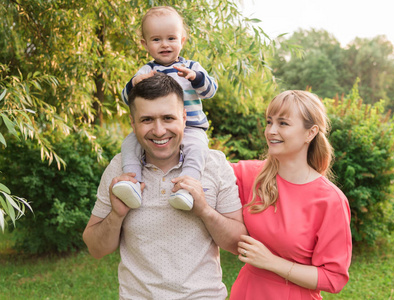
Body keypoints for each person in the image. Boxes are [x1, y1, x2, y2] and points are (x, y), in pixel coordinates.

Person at [83, 74, 246, 299]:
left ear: (184, 117)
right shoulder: (119, 169)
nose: (159, 131)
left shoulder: (214, 165)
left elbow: (238, 244)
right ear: (133, 123)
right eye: (147, 120)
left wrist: (205, 211)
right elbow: (95, 248)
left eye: (168, 118)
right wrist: (116, 215)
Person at [229, 90, 352, 299]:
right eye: (269, 122)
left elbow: (333, 278)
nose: (271, 131)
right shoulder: (247, 174)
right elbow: (204, 168)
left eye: (283, 123)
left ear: (310, 133)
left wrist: (271, 262)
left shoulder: (330, 200)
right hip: (246, 292)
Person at [112, 6, 217, 211]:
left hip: (192, 128)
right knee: (129, 144)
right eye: (156, 39)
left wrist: (196, 78)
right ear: (145, 44)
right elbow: (128, 100)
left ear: (182, 40)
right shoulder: (147, 70)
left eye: (171, 38)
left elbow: (211, 91)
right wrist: (134, 83)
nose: (165, 45)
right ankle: (132, 183)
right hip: (157, 128)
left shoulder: (192, 67)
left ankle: (186, 188)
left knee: (197, 151)